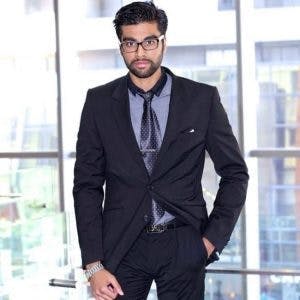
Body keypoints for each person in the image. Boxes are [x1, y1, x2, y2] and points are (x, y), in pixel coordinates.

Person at [73, 2, 249, 299]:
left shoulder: (201, 98)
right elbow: (87, 186)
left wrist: (209, 241)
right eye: (131, 43)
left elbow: (235, 174)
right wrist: (93, 265)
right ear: (121, 47)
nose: (140, 52)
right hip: (121, 246)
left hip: (184, 242)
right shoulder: (99, 102)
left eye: (149, 42)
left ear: (163, 43)